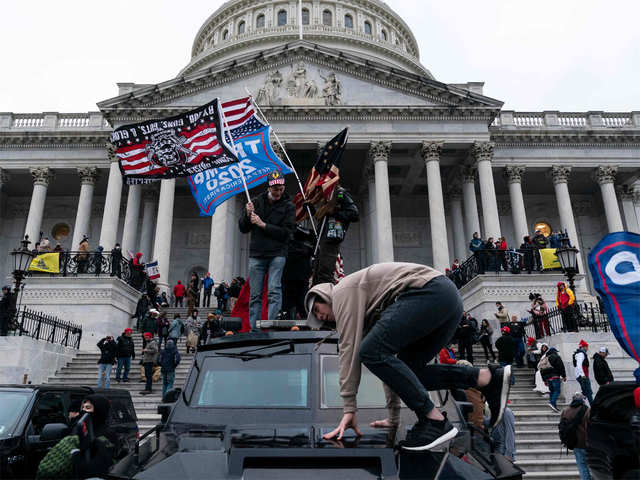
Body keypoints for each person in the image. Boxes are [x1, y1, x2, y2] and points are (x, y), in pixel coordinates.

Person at [305, 262, 512, 451]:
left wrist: (349, 409)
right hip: (446, 300)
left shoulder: (342, 292)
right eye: (317, 318)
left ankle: (434, 420)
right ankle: (485, 378)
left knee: (369, 351)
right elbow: (392, 371)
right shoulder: (366, 309)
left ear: (325, 296)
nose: (320, 317)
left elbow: (349, 352)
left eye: (317, 309)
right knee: (408, 370)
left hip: (429, 293)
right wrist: (394, 417)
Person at [239, 171, 296, 330]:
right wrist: (247, 213)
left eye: (280, 188)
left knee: (273, 290)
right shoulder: (256, 202)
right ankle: (255, 328)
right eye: (275, 189)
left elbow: (287, 233)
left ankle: (272, 326)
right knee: (255, 294)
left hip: (277, 253)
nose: (278, 192)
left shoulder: (289, 206)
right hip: (257, 254)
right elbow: (243, 228)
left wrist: (263, 225)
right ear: (269, 187)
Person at [312, 185, 359, 285]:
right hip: (322, 240)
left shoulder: (340, 194)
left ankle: (327, 299)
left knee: (325, 275)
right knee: (317, 274)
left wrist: (335, 212)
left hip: (331, 240)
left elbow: (354, 214)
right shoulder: (325, 198)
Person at [559, 393, 591, 480]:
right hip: (587, 442)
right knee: (591, 465)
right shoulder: (587, 410)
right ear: (582, 400)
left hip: (575, 443)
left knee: (582, 465)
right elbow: (590, 427)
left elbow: (561, 426)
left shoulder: (566, 411)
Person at [538, 345, 566, 412]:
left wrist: (544, 380)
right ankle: (552, 403)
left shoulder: (545, 358)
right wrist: (564, 376)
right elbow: (561, 367)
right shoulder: (556, 357)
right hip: (555, 376)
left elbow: (541, 370)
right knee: (557, 391)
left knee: (552, 391)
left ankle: (553, 406)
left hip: (548, 378)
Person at [573, 340, 594, 405]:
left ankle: (577, 401)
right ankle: (593, 407)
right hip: (583, 376)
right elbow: (579, 365)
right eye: (587, 347)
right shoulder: (581, 354)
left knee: (586, 392)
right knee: (589, 392)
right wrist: (582, 375)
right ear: (584, 347)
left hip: (581, 376)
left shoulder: (580, 354)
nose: (587, 348)